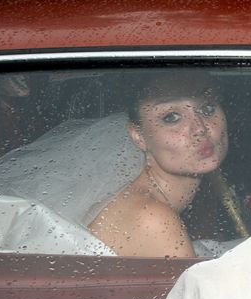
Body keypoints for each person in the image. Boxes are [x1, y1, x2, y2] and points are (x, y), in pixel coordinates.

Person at [87, 72, 228, 257]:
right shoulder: (152, 219)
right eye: (171, 117)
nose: (200, 128)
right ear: (139, 136)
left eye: (207, 108)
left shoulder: (143, 201)